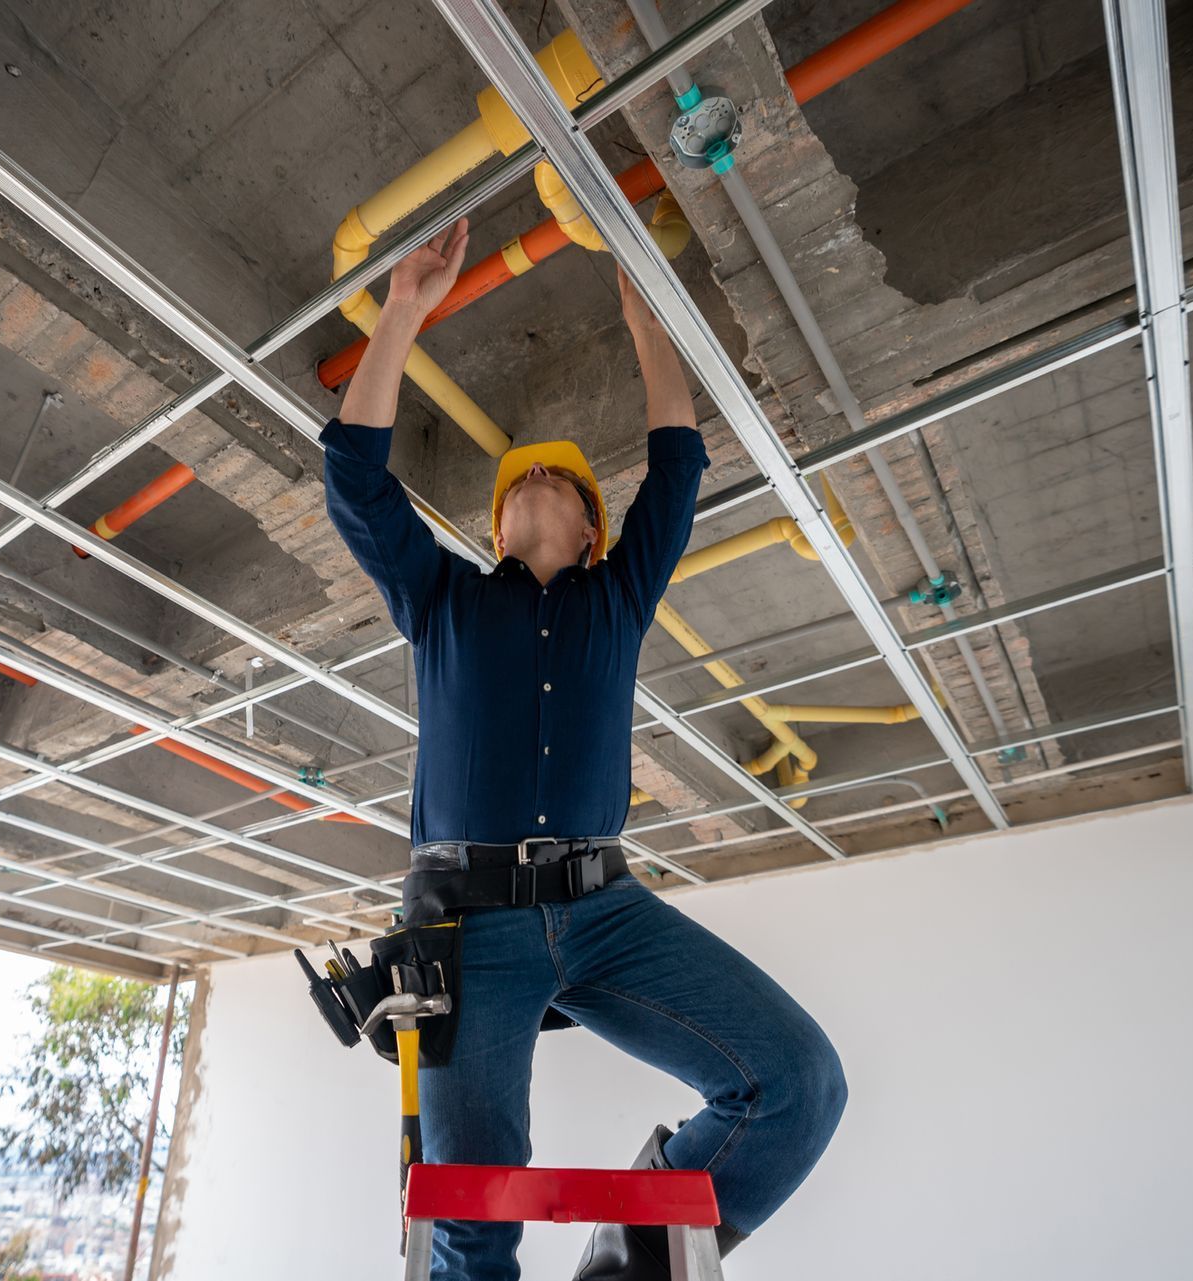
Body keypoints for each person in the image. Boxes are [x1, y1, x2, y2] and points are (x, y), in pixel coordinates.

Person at [321, 217, 847, 1280]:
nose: (532, 480)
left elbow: (680, 465)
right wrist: (403, 316)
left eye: (555, 477)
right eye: (516, 482)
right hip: (470, 926)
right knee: (475, 1206)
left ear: (594, 528)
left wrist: (648, 322)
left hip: (610, 913)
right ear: (498, 523)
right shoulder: (444, 601)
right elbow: (355, 479)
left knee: (799, 1084)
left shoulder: (619, 598)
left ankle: (626, 1273)